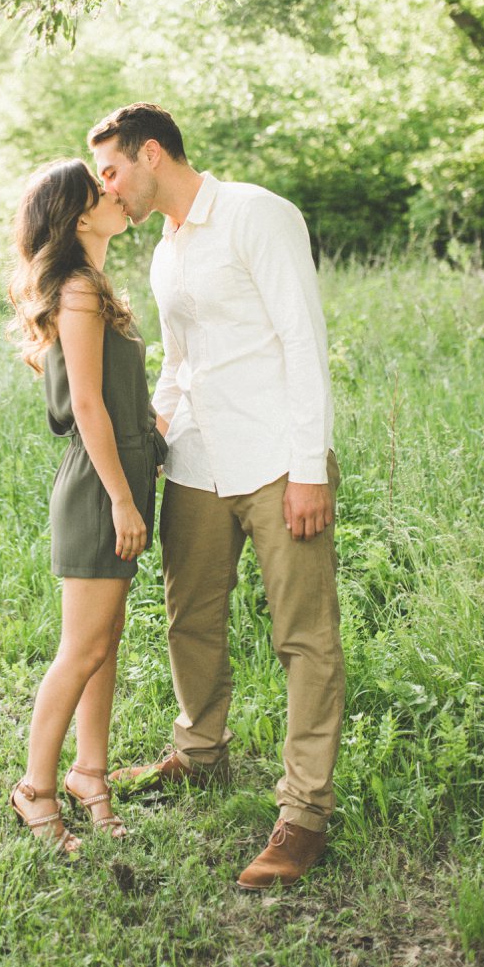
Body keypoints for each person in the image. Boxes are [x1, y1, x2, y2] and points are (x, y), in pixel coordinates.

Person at [88, 104, 344, 890]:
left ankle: (303, 813)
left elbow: (302, 338)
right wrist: (157, 428)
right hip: (196, 458)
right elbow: (181, 356)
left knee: (303, 638)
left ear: (152, 155)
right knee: (188, 614)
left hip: (275, 458)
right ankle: (199, 753)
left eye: (111, 170)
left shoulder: (257, 215)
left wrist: (308, 467)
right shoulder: (165, 249)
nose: (106, 188)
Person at [7, 158, 168, 854]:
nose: (115, 193)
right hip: (101, 487)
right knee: (81, 648)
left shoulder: (91, 288)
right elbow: (87, 405)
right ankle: (35, 790)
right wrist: (123, 501)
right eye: (101, 190)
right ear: (77, 216)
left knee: (106, 642)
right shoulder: (76, 288)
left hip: (123, 471)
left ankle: (88, 773)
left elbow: (92, 386)